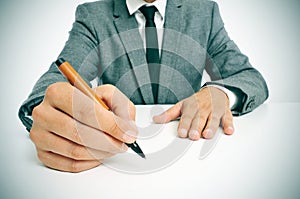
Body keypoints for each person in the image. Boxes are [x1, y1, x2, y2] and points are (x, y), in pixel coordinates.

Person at [19, 0, 268, 172]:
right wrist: (49, 112)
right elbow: (55, 83)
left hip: (190, 157)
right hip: (116, 163)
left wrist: (219, 92)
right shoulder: (93, 16)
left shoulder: (204, 12)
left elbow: (249, 77)